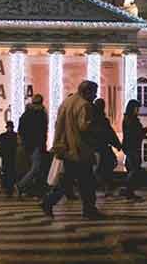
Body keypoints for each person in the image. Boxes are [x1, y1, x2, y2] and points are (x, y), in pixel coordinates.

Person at [40, 80, 103, 219]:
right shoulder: (85, 105)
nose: (95, 96)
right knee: (87, 181)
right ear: (86, 92)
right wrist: (95, 127)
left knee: (68, 180)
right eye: (94, 92)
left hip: (67, 148)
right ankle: (89, 210)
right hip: (80, 149)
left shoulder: (67, 102)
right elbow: (84, 127)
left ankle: (49, 201)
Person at [16, 94, 49, 197]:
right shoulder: (40, 114)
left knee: (32, 167)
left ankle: (29, 188)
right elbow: (42, 131)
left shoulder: (26, 114)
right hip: (37, 145)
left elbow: (21, 130)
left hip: (28, 145)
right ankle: (22, 185)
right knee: (36, 167)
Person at [120, 99, 147, 201]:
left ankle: (128, 191)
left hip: (130, 146)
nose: (138, 110)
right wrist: (146, 129)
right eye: (137, 108)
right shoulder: (131, 120)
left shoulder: (129, 119)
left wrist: (145, 130)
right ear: (132, 108)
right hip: (132, 147)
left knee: (132, 168)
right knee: (134, 169)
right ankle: (128, 191)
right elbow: (135, 133)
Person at [92, 98, 121, 197]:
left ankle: (105, 187)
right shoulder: (102, 120)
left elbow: (110, 133)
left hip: (97, 148)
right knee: (104, 169)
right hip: (101, 148)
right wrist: (117, 144)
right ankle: (105, 188)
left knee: (101, 169)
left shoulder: (92, 119)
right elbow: (110, 134)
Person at [0, 121, 19, 196]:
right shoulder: (15, 135)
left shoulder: (3, 136)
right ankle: (9, 188)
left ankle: (8, 188)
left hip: (7, 157)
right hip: (11, 157)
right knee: (10, 172)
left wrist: (1, 154)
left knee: (7, 172)